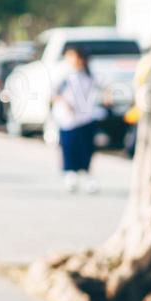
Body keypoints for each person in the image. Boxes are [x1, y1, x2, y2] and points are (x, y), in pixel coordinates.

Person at [52, 44, 101, 193]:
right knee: (69, 147)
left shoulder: (90, 76)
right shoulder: (63, 74)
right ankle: (70, 175)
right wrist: (65, 103)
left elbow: (101, 90)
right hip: (68, 120)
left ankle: (86, 175)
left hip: (86, 118)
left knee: (86, 148)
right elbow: (53, 93)